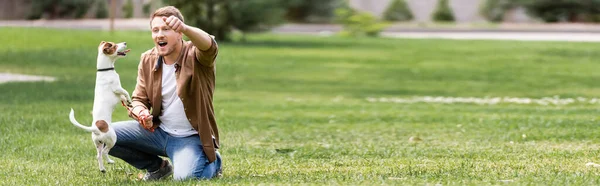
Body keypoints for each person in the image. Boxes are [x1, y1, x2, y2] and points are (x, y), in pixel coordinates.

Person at [108, 6, 222, 181]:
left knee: (185, 178)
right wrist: (140, 111)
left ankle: (213, 162)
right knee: (104, 135)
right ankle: (158, 168)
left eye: (166, 29)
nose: (159, 34)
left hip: (189, 138)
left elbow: (209, 45)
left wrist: (185, 27)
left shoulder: (196, 55)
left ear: (179, 34)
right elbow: (138, 99)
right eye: (155, 30)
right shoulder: (148, 59)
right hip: (158, 132)